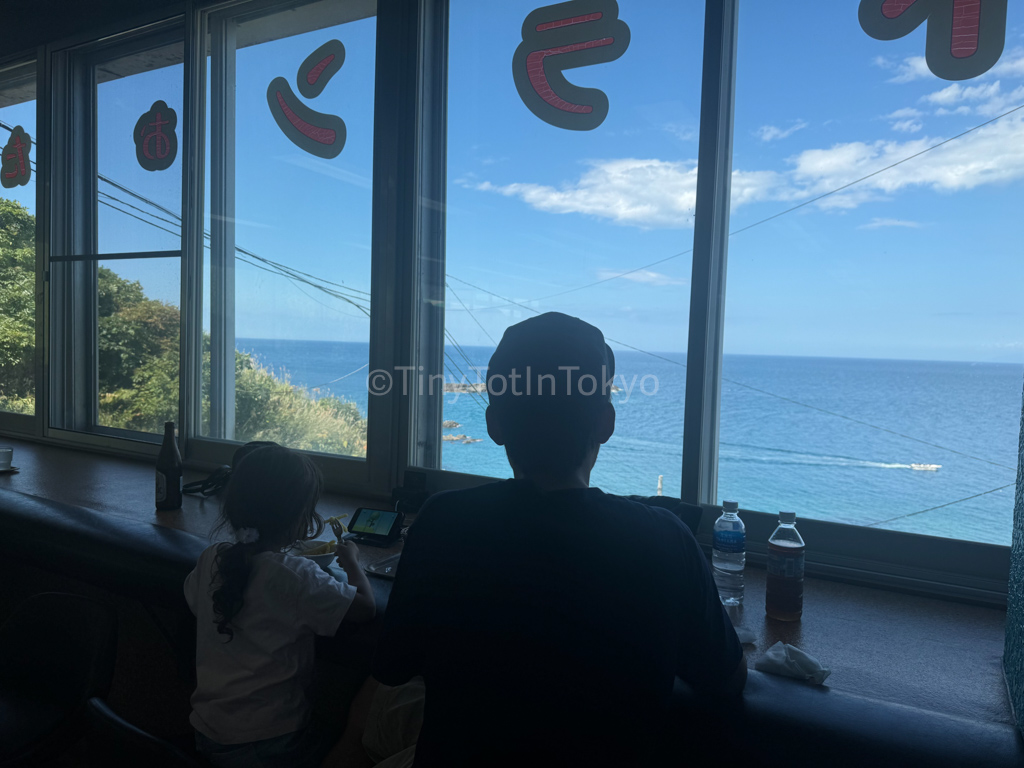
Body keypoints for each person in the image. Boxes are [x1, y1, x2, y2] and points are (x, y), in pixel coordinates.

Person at [370, 312, 745, 767]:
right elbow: (727, 679)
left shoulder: (444, 522)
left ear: (495, 426)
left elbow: (394, 664)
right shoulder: (665, 540)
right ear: (605, 424)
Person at [184, 444, 376, 768]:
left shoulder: (211, 558)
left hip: (208, 730)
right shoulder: (295, 575)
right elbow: (364, 608)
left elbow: (194, 602)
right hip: (273, 742)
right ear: (299, 517)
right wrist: (352, 561)